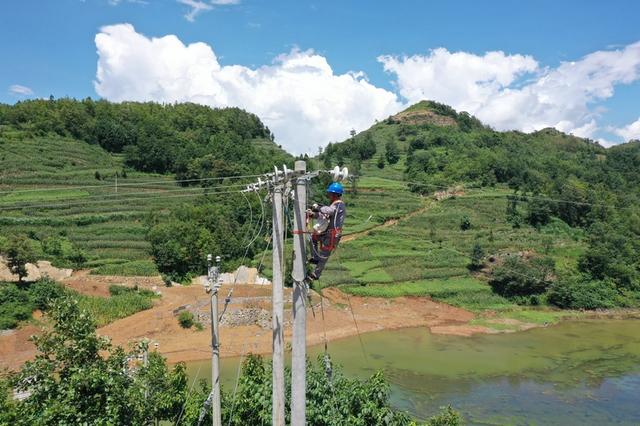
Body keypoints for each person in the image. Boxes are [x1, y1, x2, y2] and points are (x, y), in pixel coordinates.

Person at [307, 182, 346, 280]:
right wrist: (313, 214)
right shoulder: (333, 204)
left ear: (335, 194)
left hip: (333, 234)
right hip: (328, 232)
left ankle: (316, 274)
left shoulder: (339, 205)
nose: (328, 195)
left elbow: (329, 211)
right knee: (313, 237)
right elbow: (325, 216)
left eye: (330, 194)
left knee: (325, 253)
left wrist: (318, 208)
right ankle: (315, 257)